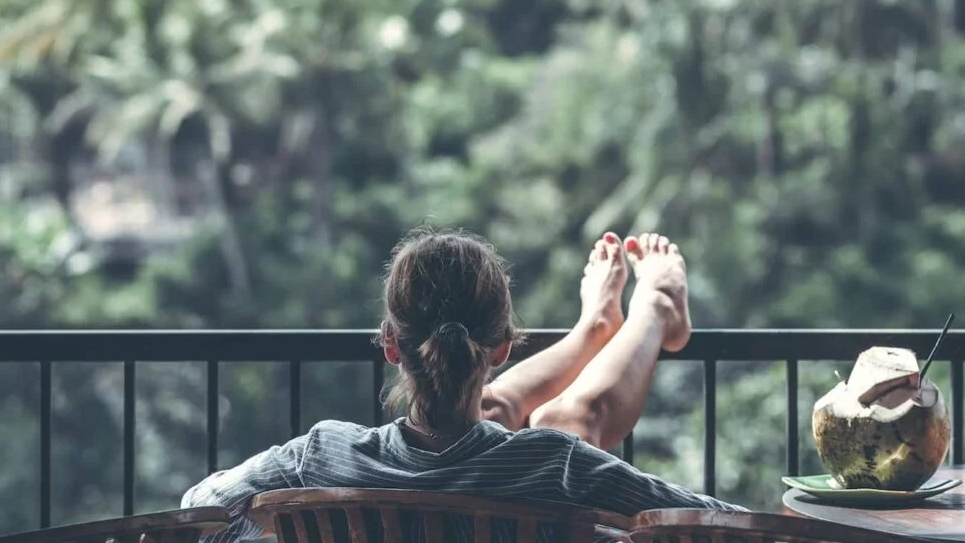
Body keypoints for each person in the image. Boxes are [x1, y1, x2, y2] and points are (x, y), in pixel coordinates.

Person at [182, 227, 744, 543]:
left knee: (521, 419)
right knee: (556, 422)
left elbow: (199, 509)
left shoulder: (320, 457)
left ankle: (601, 326)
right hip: (529, 457)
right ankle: (644, 308)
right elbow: (718, 526)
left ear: (390, 344)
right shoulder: (558, 466)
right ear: (502, 347)